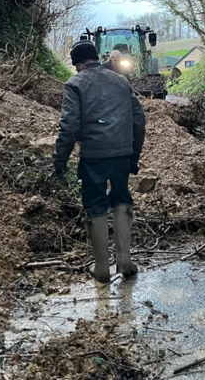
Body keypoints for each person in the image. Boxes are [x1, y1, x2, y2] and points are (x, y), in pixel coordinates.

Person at [54, 40, 146, 283]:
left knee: (95, 205)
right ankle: (125, 261)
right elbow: (139, 120)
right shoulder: (121, 81)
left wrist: (60, 161)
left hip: (93, 157)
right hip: (121, 154)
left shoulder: (75, 84)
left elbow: (68, 127)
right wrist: (133, 155)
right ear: (97, 57)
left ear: (78, 64)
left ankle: (102, 268)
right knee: (121, 198)